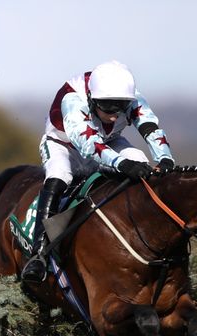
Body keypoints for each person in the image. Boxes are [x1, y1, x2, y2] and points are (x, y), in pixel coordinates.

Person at [22, 60, 175, 283]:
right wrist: (122, 164)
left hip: (109, 143)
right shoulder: (72, 99)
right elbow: (89, 145)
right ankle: (38, 254)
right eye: (108, 108)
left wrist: (165, 158)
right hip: (64, 146)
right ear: (91, 98)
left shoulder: (129, 96)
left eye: (121, 108)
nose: (115, 116)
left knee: (141, 161)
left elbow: (150, 127)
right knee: (59, 176)